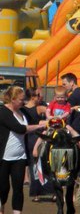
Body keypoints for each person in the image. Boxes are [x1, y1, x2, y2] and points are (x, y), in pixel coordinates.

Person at [0, 86, 46, 214]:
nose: (24, 102)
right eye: (21, 100)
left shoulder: (23, 111)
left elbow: (35, 121)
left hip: (20, 157)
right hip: (4, 157)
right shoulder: (3, 112)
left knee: (18, 188)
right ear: (13, 99)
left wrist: (50, 121)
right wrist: (39, 125)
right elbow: (20, 129)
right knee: (3, 188)